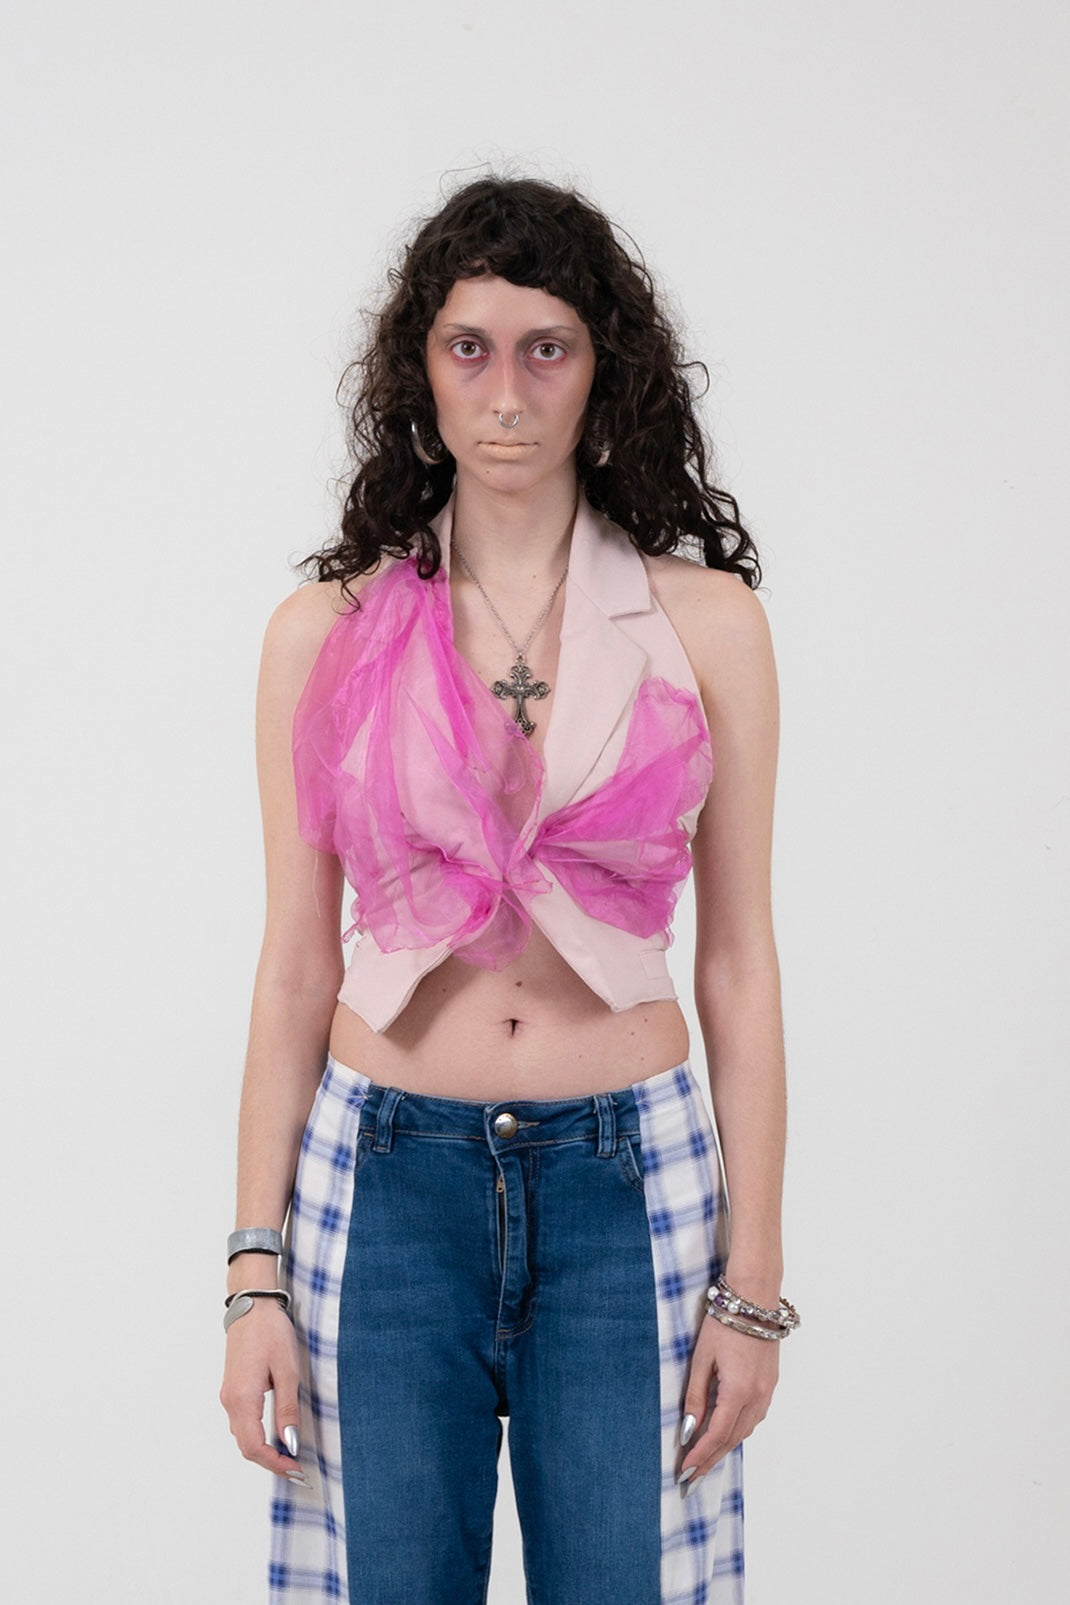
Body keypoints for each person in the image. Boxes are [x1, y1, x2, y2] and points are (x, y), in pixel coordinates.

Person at [219, 173, 796, 1605]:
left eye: (549, 349)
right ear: (419, 373)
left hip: (626, 1180)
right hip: (384, 1181)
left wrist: (753, 1283)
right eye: (468, 346)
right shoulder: (323, 632)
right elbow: (296, 964)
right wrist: (251, 1273)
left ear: (604, 373)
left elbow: (738, 960)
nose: (507, 392)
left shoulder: (706, 624)